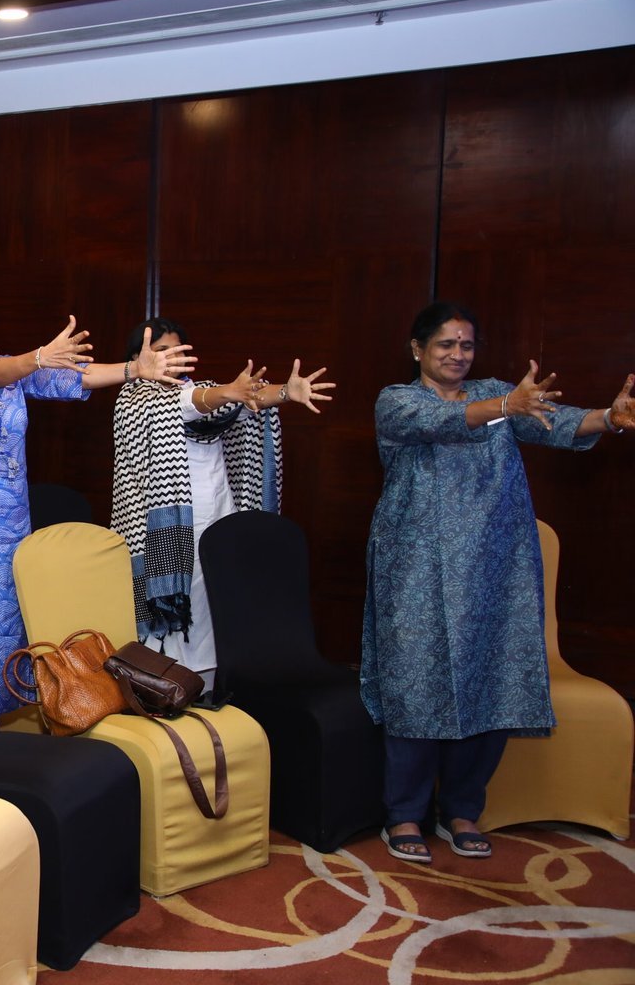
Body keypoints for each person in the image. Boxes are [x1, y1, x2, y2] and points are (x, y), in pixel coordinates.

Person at [363, 301, 632, 865]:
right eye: (445, 344)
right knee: (415, 683)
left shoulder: (499, 394)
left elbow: (559, 423)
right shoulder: (399, 401)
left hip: (495, 569)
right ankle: (404, 814)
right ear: (417, 349)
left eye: (466, 345)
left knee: (492, 680)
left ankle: (462, 811)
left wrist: (608, 417)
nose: (457, 354)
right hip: (415, 568)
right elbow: (443, 423)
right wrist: (505, 406)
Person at [0, 265, 195, 728]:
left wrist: (133, 370)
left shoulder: (8, 365)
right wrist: (38, 357)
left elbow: (70, 378)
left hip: (7, 522)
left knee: (1, 630)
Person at [111, 318, 333, 689]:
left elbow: (241, 399)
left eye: (177, 351)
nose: (171, 358)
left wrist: (284, 392)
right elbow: (198, 402)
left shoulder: (201, 392)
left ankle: (211, 698)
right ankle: (165, 696)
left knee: (214, 622)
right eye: (161, 351)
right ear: (137, 358)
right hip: (164, 535)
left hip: (218, 522)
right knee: (173, 629)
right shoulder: (135, 401)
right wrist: (229, 392)